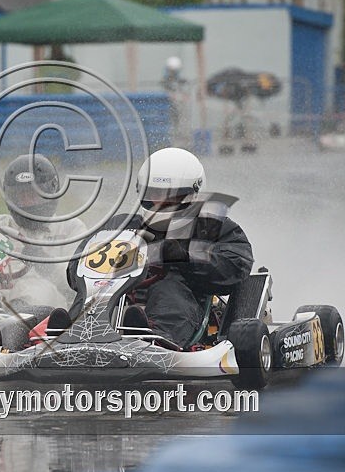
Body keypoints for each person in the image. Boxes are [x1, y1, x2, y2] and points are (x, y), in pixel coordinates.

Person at [63, 147, 254, 348]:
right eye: (153, 194)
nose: (158, 202)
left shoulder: (212, 227)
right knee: (94, 291)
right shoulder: (122, 225)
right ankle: (70, 330)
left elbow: (236, 265)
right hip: (119, 300)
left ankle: (153, 337)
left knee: (168, 284)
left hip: (182, 304)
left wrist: (180, 255)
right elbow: (77, 266)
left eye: (169, 196)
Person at [0, 153, 86, 310]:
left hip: (50, 307)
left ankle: (17, 316)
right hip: (1, 295)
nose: (27, 203)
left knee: (37, 290)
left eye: (34, 195)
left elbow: (78, 286)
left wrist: (41, 260)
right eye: (21, 196)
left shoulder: (72, 229)